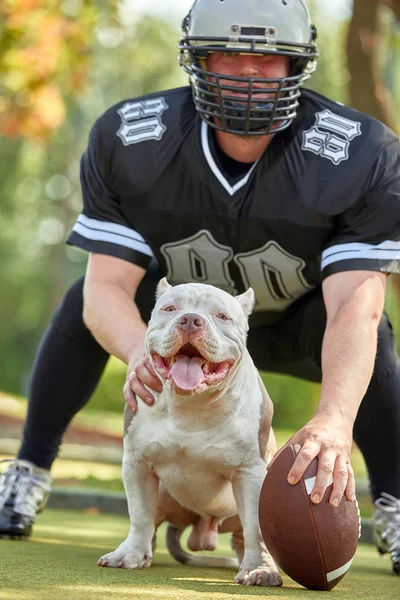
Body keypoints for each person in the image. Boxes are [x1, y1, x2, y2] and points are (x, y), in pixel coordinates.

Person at [1, 0, 399, 574]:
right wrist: (143, 351)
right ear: (198, 58)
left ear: (298, 66)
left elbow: (354, 312)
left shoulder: (359, 151)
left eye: (269, 58)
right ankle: (30, 470)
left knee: (374, 331)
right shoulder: (133, 137)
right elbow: (108, 288)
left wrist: (334, 419)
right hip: (179, 319)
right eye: (230, 55)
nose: (248, 74)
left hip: (297, 324)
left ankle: (394, 499)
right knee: (82, 303)